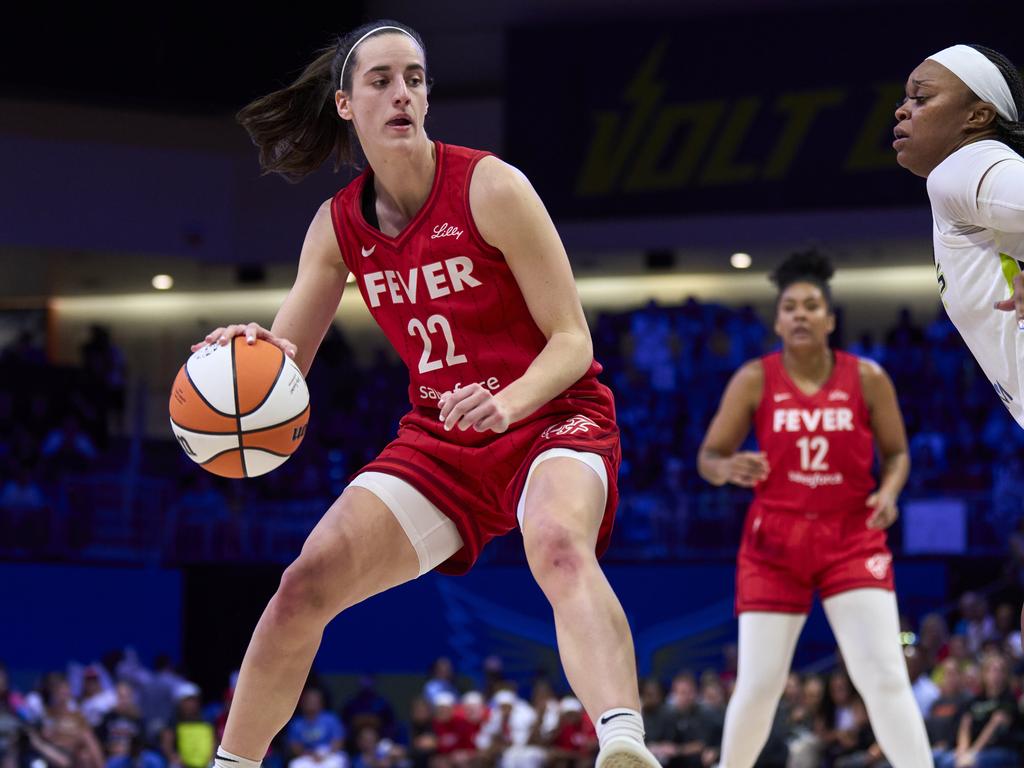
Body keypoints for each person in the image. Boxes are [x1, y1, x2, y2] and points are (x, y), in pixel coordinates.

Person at [193, 20, 658, 768]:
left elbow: (574, 341)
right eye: (381, 80)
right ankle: (230, 763)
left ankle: (624, 744)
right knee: (302, 585)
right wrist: (245, 359)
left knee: (556, 543)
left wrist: (509, 402)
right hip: (445, 438)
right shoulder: (337, 226)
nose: (402, 93)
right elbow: (288, 365)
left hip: (553, 416)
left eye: (414, 78)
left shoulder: (492, 186)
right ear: (346, 104)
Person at [697, 251, 932, 767]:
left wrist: (889, 492)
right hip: (774, 540)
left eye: (811, 306)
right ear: (778, 320)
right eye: (790, 307)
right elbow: (708, 458)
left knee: (884, 676)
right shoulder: (753, 380)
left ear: (830, 317)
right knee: (759, 685)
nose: (800, 314)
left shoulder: (868, 377)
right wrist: (727, 467)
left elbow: (897, 454)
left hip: (851, 534)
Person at [894, 43, 1024, 636]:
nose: (903, 110)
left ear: (977, 115)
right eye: (905, 98)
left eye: (922, 98)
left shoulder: (964, 168)